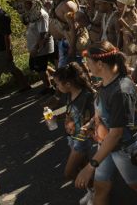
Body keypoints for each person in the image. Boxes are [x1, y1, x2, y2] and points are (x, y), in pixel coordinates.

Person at [75, 41, 137, 205]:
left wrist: (90, 166)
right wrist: (93, 124)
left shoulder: (120, 92)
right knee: (101, 187)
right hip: (107, 145)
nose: (87, 67)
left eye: (89, 63)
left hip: (125, 148)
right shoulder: (104, 82)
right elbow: (103, 113)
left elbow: (116, 134)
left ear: (100, 64)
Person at [53, 62, 95, 205]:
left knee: (69, 172)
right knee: (82, 167)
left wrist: (87, 130)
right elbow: (70, 113)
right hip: (72, 137)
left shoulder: (87, 96)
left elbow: (95, 118)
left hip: (82, 139)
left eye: (58, 84)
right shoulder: (70, 94)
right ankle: (93, 192)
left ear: (68, 83)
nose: (57, 87)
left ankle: (97, 192)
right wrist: (55, 117)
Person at [0, 0, 30, 92]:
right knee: (12, 68)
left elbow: (7, 36)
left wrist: (8, 52)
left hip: (1, 49)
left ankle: (25, 85)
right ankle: (25, 85)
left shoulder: (3, 16)